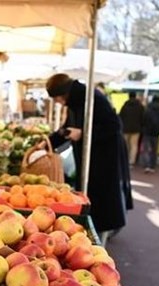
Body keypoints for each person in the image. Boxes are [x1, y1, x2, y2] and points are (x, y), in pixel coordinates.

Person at [46, 73, 133, 243]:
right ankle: (94, 231)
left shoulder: (93, 99)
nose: (57, 102)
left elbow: (114, 126)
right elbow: (67, 128)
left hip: (103, 158)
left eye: (56, 98)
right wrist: (47, 142)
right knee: (91, 195)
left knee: (101, 198)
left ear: (63, 93)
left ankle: (99, 236)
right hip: (89, 158)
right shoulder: (75, 102)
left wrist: (84, 133)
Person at [142, 95, 159, 174]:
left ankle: (146, 165)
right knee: (154, 150)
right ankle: (152, 166)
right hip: (156, 132)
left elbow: (143, 119)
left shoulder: (148, 108)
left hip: (147, 131)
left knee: (146, 149)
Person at [119, 92, 144, 167]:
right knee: (134, 145)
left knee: (125, 145)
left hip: (125, 128)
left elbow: (121, 116)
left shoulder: (125, 106)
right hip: (136, 129)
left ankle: (124, 159)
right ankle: (131, 161)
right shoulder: (140, 106)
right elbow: (142, 118)